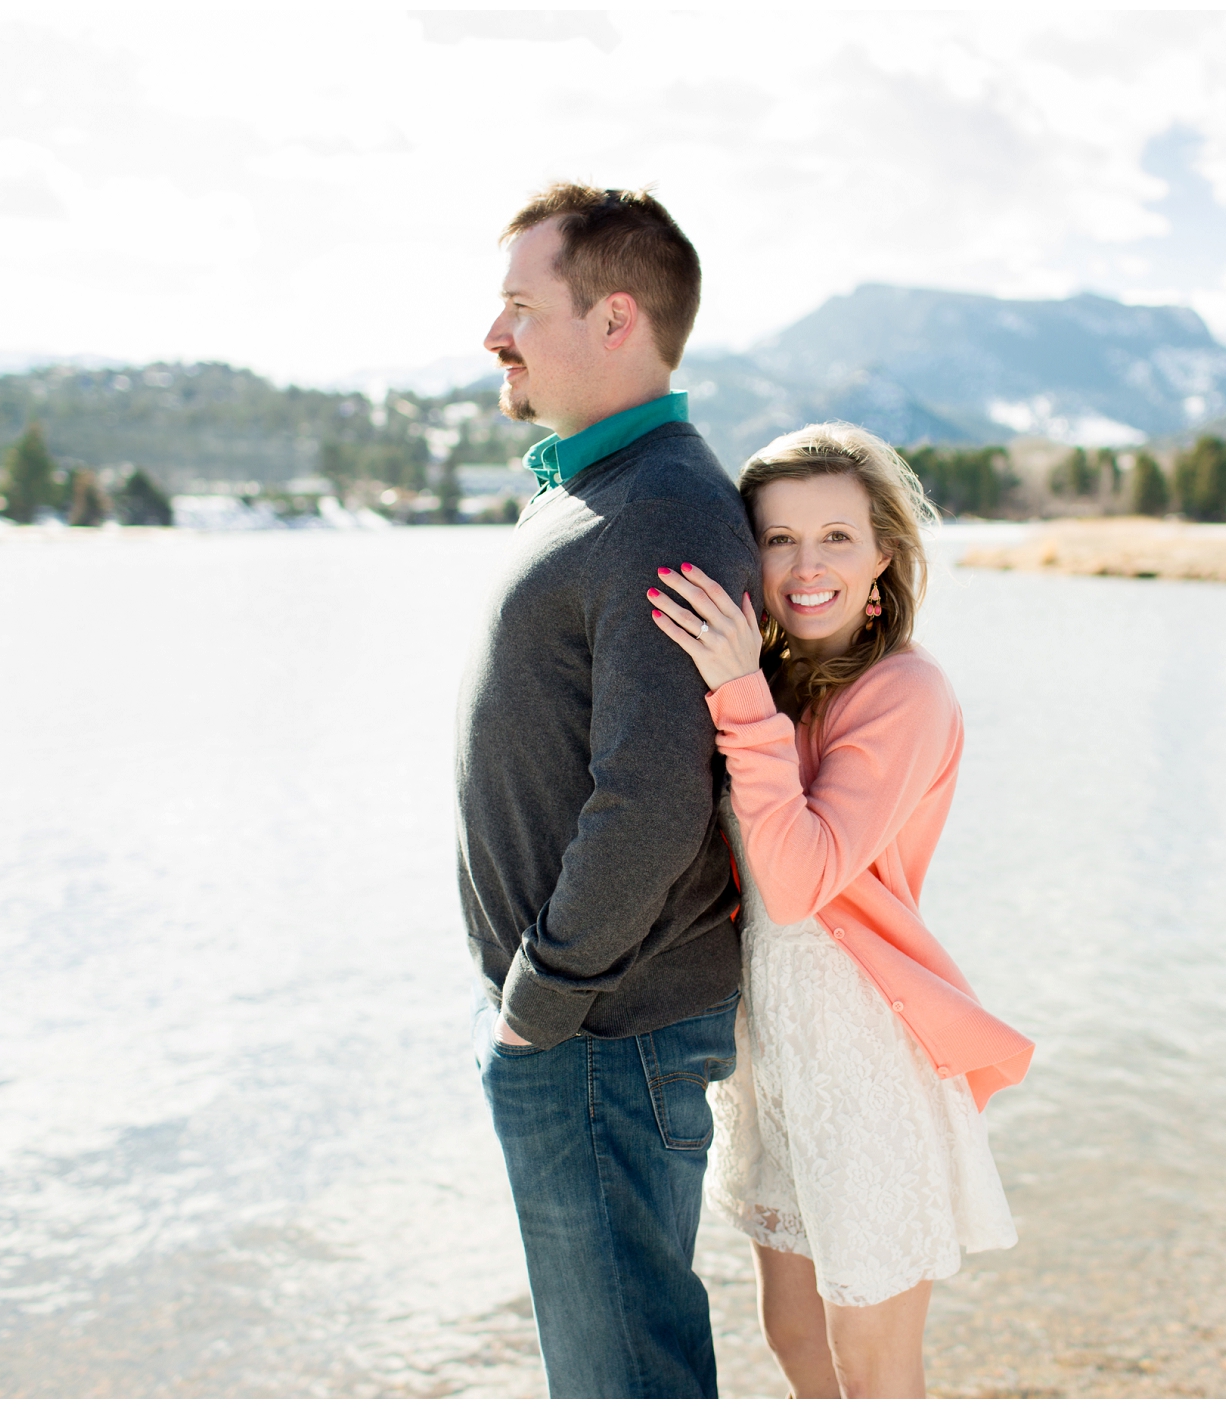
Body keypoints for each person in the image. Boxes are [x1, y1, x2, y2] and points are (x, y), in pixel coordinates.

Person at [648, 423, 1035, 1397]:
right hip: (769, 1052)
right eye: (777, 538)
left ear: (882, 557)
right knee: (790, 1336)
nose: (805, 563)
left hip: (861, 1057)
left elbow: (799, 878)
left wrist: (738, 691)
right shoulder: (770, 681)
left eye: (835, 536)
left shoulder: (905, 689)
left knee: (872, 1365)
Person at [455, 183, 760, 1398]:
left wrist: (543, 995)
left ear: (615, 317)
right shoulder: (603, 489)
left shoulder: (662, 506)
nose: (495, 334)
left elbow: (650, 798)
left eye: (521, 306)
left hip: (599, 1029)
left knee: (623, 1376)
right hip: (583, 1023)